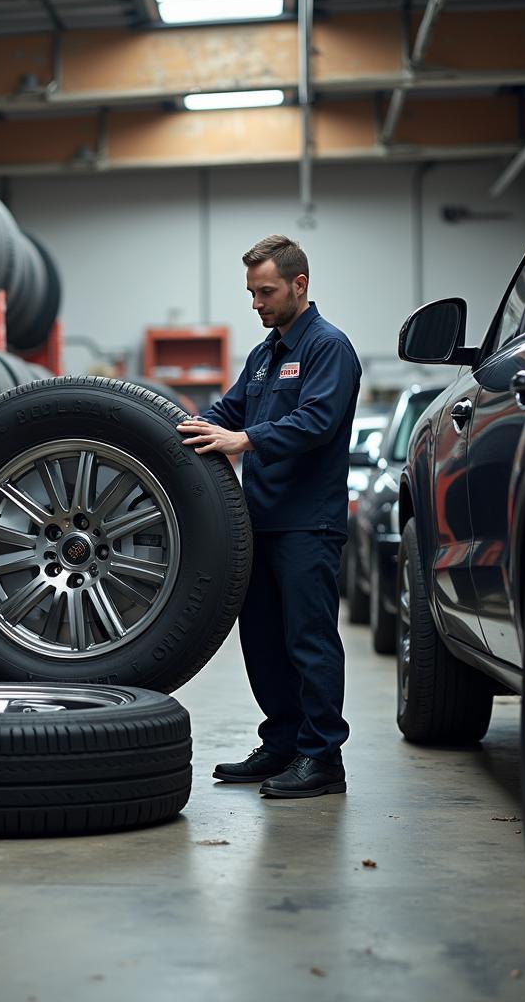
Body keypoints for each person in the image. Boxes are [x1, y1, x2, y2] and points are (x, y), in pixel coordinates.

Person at [177, 235, 361, 799]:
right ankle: (282, 742)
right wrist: (168, 432)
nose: (256, 303)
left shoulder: (329, 348)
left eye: (266, 292)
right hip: (258, 522)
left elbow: (317, 422)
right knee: (261, 640)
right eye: (251, 293)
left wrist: (244, 440)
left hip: (308, 522)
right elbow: (225, 412)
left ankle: (322, 756)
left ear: (299, 285)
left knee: (308, 640)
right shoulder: (264, 356)